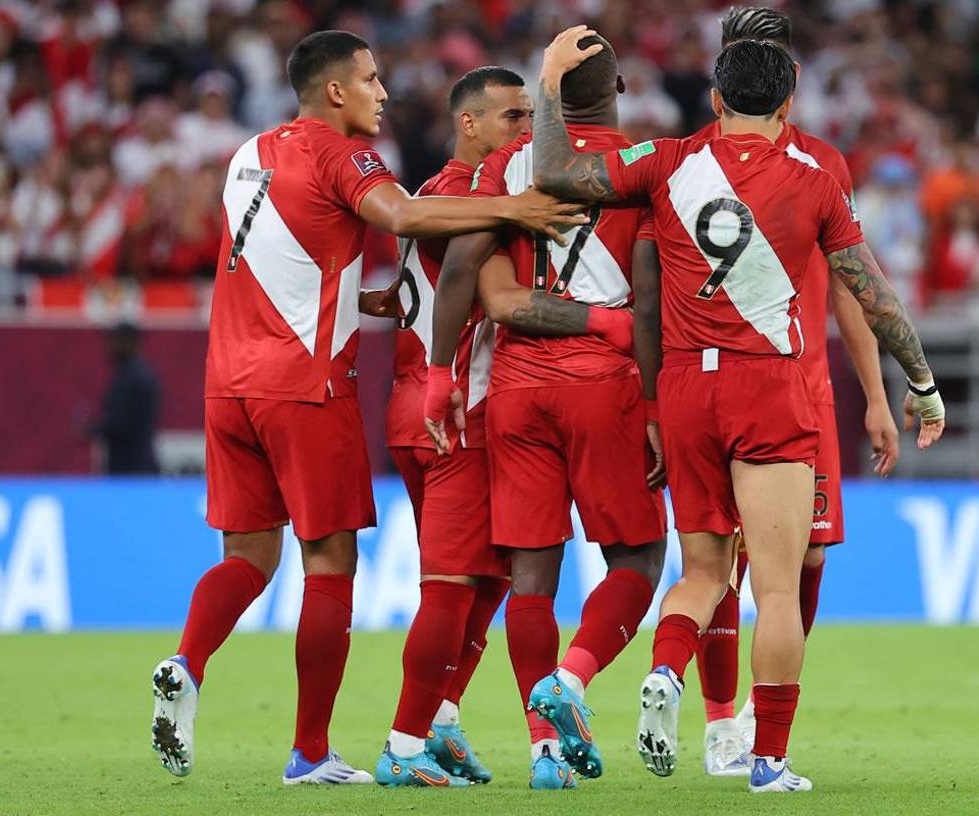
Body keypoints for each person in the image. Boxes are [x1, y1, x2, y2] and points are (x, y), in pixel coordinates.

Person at [148, 30, 587, 787]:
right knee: (330, 563)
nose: (385, 94)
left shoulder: (248, 153)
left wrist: (377, 301)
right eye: (373, 80)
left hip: (227, 382)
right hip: (305, 386)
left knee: (250, 558)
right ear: (336, 91)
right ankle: (312, 752)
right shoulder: (339, 151)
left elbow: (285, 261)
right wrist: (515, 207)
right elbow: (406, 217)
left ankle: (187, 662)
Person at [530, 29, 945, 793]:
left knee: (703, 572)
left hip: (687, 390)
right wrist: (919, 382)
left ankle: (665, 672)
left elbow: (553, 172)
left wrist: (551, 82)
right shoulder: (815, 180)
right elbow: (871, 293)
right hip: (768, 386)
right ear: (789, 104)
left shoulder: (664, 162)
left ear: (716, 100)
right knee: (778, 587)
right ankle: (768, 759)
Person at [365, 64, 633, 789]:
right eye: (512, 118)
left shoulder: (445, 195)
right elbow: (470, 286)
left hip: (423, 401)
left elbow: (403, 290)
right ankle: (405, 743)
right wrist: (519, 210)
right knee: (455, 588)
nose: (526, 130)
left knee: (492, 582)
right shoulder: (465, 198)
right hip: (456, 408)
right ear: (469, 125)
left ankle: (445, 719)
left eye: (528, 114)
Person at [425, 32, 666, 788]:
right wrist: (656, 403)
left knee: (532, 575)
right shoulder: (642, 166)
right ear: (619, 85)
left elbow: (463, 264)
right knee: (636, 557)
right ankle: (571, 679)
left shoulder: (506, 165)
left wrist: (440, 372)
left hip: (518, 388)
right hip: (606, 385)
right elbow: (652, 292)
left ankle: (544, 755)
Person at [689, 6, 901, 778]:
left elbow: (851, 288)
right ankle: (720, 723)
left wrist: (873, 394)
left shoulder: (823, 164)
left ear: (792, 76)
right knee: (721, 563)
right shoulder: (691, 164)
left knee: (806, 560)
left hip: (803, 387)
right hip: (726, 386)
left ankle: (758, 708)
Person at [91, 321, 161, 475]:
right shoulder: (132, 374)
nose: (108, 347)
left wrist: (92, 429)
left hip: (132, 468)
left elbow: (121, 424)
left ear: (128, 342)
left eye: (113, 340)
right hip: (134, 464)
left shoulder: (133, 378)